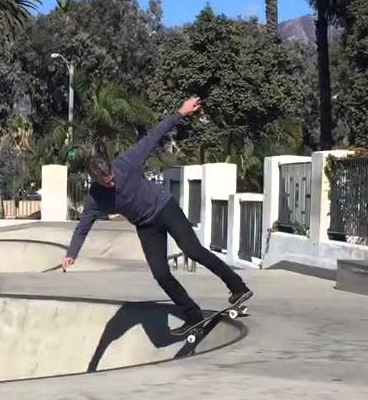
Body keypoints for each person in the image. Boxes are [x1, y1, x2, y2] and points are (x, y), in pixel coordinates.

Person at [62, 96, 251, 334]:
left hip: (164, 208)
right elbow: (83, 227)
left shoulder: (126, 163)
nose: (111, 183)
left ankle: (238, 286)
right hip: (146, 226)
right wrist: (72, 253)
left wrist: (181, 112)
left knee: (193, 250)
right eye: (106, 182)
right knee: (160, 274)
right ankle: (192, 314)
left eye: (112, 178)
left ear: (111, 168)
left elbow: (154, 135)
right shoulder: (94, 198)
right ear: (96, 180)